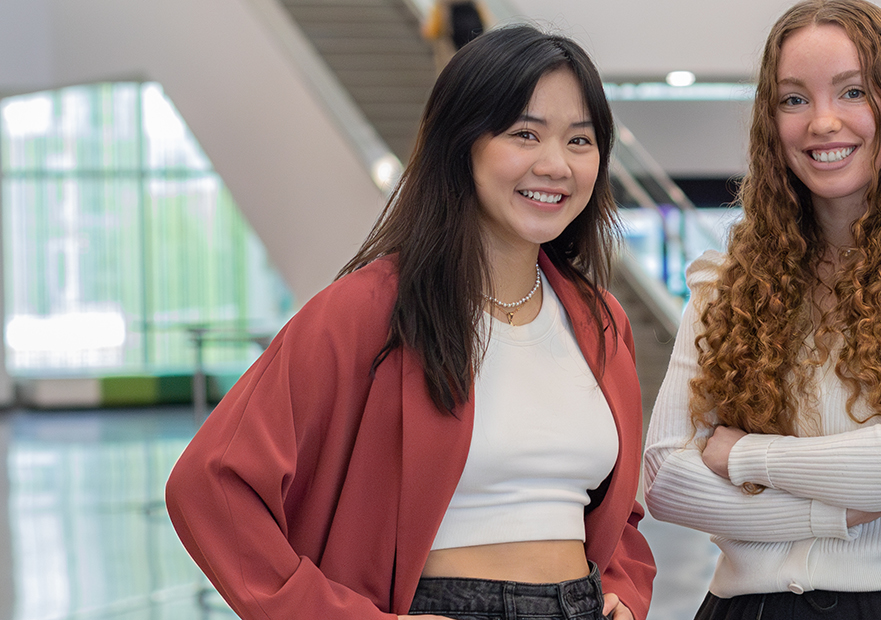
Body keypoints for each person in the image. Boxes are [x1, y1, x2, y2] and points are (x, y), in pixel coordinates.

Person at [164, 25, 654, 620]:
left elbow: (616, 515)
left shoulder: (601, 322)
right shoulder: (367, 310)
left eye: (581, 141)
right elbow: (210, 487)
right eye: (525, 134)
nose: (555, 164)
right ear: (461, 143)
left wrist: (624, 591)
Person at [642, 1, 881, 618]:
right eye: (794, 99)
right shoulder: (728, 279)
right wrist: (838, 510)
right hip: (746, 607)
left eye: (852, 92)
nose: (822, 122)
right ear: (771, 121)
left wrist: (743, 454)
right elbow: (666, 477)